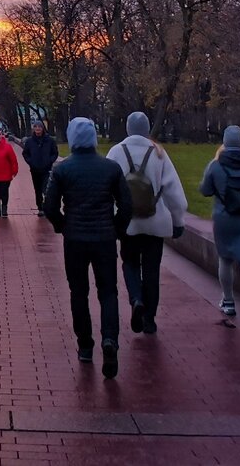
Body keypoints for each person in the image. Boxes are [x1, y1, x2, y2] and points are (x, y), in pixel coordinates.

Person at [43, 118, 132, 379]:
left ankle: (85, 345)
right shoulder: (110, 168)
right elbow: (126, 205)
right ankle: (110, 341)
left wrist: (62, 226)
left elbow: (49, 207)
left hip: (75, 240)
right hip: (104, 239)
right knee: (108, 292)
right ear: (94, 138)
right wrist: (116, 228)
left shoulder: (62, 169)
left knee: (78, 292)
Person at [104, 111, 188, 335]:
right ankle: (150, 319)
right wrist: (178, 221)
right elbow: (174, 192)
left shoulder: (116, 152)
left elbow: (107, 187)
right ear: (148, 128)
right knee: (152, 270)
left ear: (128, 128)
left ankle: (136, 299)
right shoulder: (159, 153)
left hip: (127, 222)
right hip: (155, 221)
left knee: (129, 263)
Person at [200, 125, 240, 329]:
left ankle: (228, 302)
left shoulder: (216, 165)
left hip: (223, 218)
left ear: (225, 142)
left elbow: (205, 190)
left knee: (225, 260)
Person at [22, 120, 59, 216]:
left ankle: (47, 206)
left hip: (46, 169)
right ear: (33, 129)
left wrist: (50, 160)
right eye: (36, 127)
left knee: (46, 188)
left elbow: (55, 152)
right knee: (37, 189)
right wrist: (31, 162)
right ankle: (40, 208)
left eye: (40, 127)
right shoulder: (30, 141)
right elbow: (25, 153)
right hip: (35, 169)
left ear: (43, 129)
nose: (38, 129)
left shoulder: (49, 140)